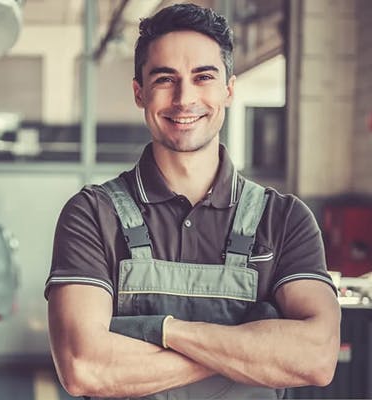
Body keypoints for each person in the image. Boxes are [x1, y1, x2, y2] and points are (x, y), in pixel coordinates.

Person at [45, 3, 340, 399]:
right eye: (166, 79)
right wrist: (250, 349)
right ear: (139, 92)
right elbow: (85, 367)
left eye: (204, 77)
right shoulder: (93, 214)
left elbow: (317, 358)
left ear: (229, 89)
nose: (185, 99)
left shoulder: (284, 219)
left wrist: (162, 331)